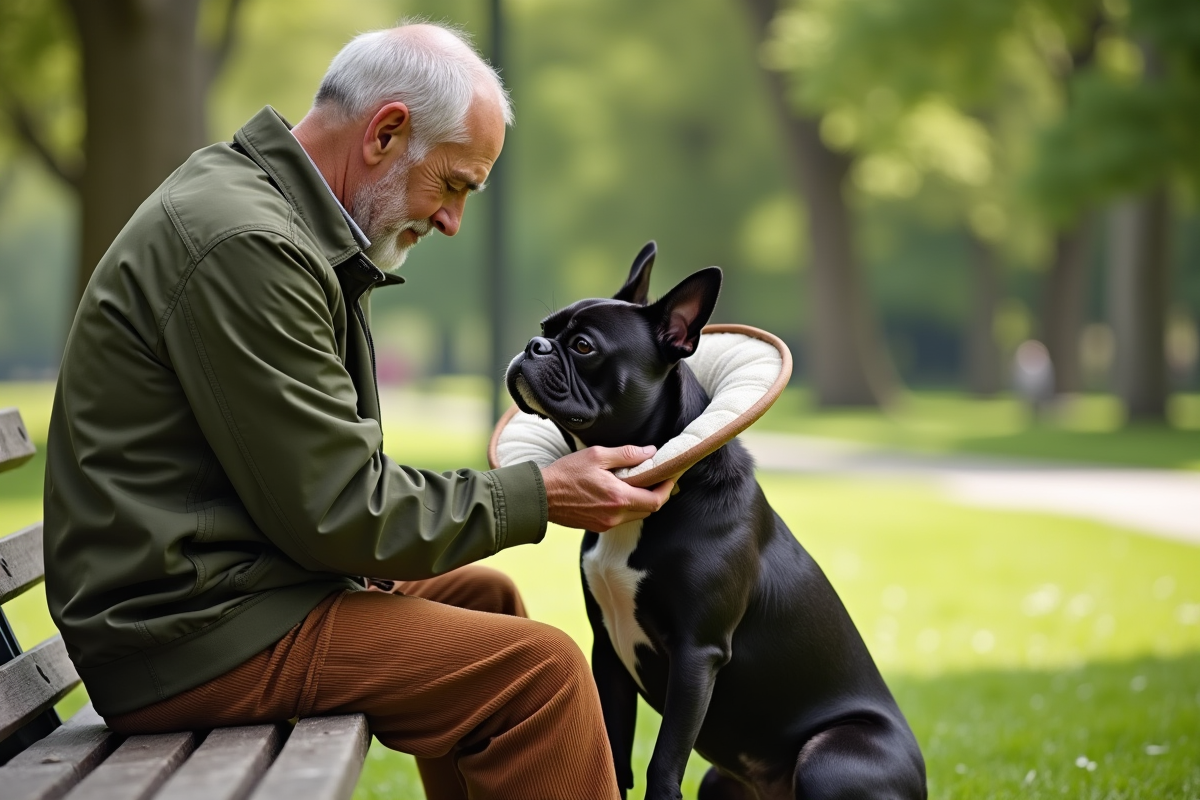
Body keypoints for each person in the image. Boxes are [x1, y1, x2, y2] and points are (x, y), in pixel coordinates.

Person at [43, 22, 674, 800]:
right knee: (540, 674)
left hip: (232, 592)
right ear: (385, 133)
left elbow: (325, 490)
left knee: (489, 600)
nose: (452, 220)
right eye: (453, 185)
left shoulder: (280, 221)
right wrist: (542, 494)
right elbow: (340, 509)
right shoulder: (248, 244)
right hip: (190, 636)